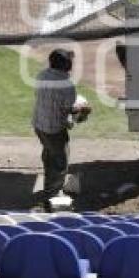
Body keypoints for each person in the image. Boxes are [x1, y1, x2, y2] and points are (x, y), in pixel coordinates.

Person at [31, 48, 89, 211]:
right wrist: (83, 109)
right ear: (66, 65)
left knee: (49, 154)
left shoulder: (42, 75)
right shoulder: (66, 85)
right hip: (54, 129)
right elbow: (70, 110)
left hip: (39, 125)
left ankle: (50, 186)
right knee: (60, 162)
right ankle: (53, 196)